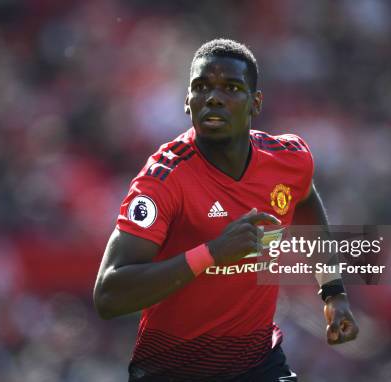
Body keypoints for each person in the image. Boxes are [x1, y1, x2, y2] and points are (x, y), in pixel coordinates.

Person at [94, 38, 358, 381]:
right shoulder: (163, 180)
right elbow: (108, 295)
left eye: (231, 87)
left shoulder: (289, 159)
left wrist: (333, 291)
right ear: (187, 102)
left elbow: (306, 200)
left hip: (256, 361)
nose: (213, 97)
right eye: (201, 87)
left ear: (256, 102)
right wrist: (213, 253)